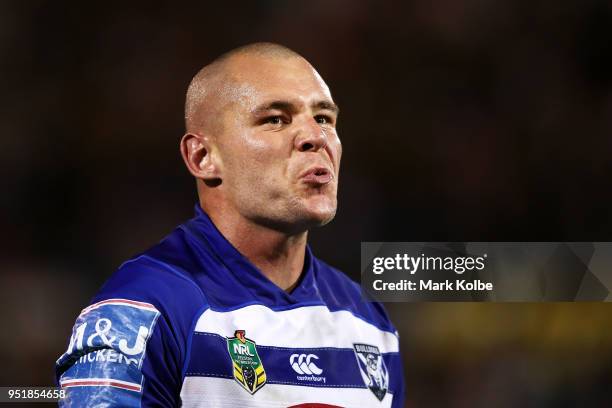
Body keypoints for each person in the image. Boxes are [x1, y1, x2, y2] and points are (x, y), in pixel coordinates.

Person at [55, 42, 405, 407]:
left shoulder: (367, 321)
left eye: (324, 119)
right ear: (203, 156)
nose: (315, 138)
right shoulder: (144, 309)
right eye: (275, 119)